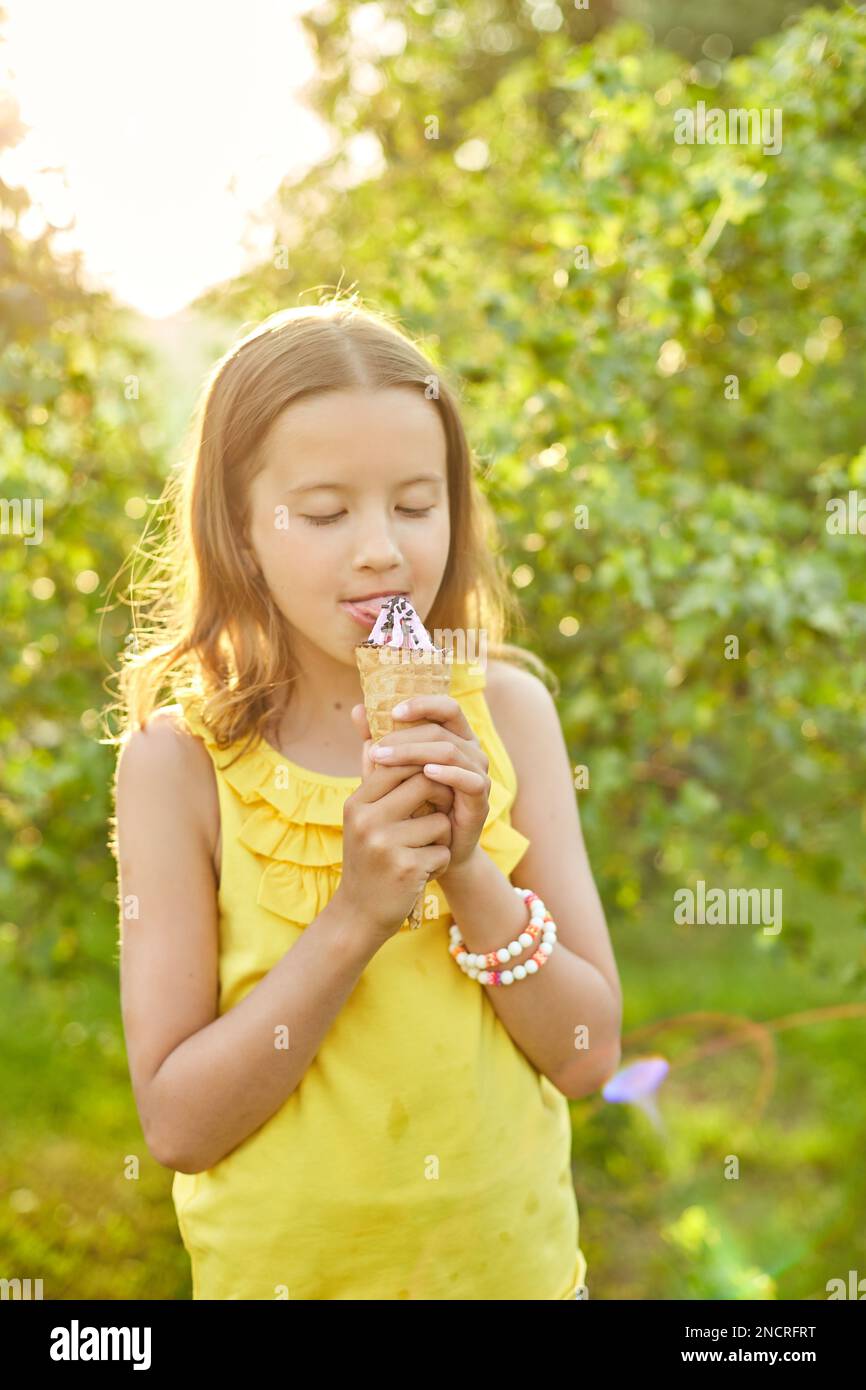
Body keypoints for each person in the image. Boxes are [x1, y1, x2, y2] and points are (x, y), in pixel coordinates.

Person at [108, 295, 622, 1299]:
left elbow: (585, 1054)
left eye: (415, 503)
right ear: (241, 530)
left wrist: (467, 868)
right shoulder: (179, 768)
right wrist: (355, 914)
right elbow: (178, 1124)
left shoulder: (509, 715)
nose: (382, 548)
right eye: (327, 511)